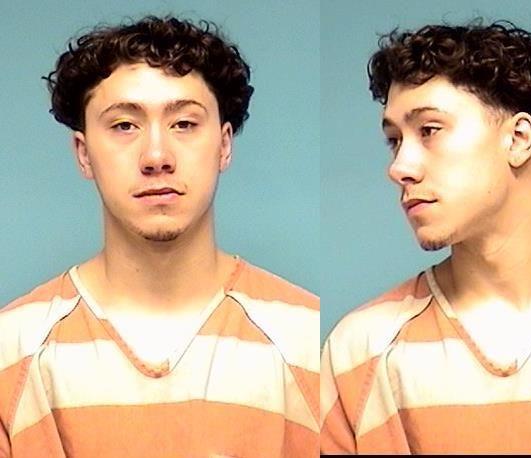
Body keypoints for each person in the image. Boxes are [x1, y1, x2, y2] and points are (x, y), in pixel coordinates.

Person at [0, 16, 319, 458]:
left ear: (224, 145)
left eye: (184, 123)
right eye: (124, 126)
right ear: (84, 153)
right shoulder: (11, 350)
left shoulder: (307, 341)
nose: (156, 156)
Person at [320, 20, 531, 454]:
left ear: (519, 139)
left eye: (429, 130)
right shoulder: (359, 351)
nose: (399, 167)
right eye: (394, 140)